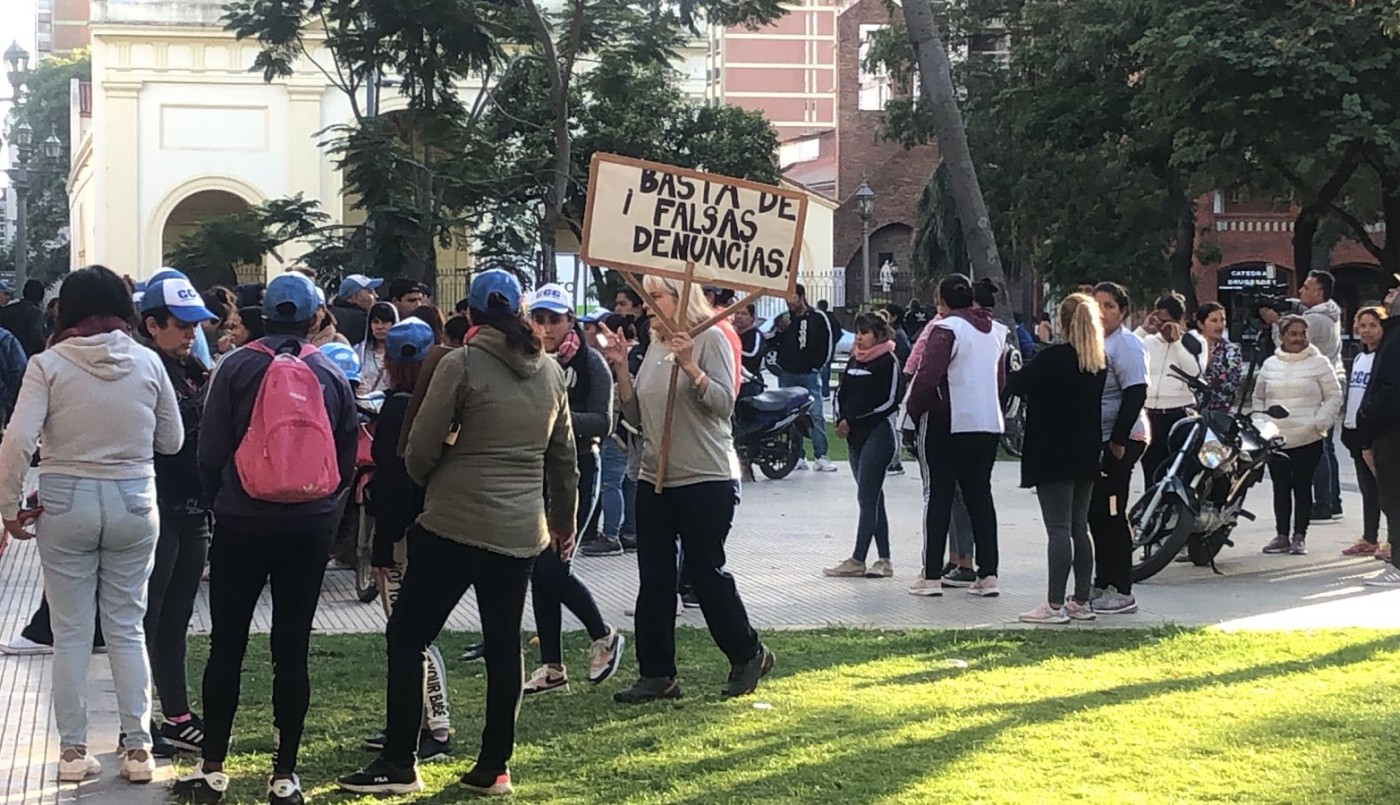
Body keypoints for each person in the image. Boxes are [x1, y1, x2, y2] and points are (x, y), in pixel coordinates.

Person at [337, 269, 577, 797]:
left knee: (408, 635)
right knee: (503, 643)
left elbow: (417, 448)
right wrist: (564, 521)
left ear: (468, 313)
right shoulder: (551, 373)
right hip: (520, 532)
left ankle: (399, 762)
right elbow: (564, 460)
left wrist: (432, 481)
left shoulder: (460, 364)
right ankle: (495, 765)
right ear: (520, 313)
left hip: (453, 524)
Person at [177, 272, 358, 805]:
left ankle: (213, 768)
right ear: (313, 316)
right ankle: (284, 775)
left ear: (263, 313)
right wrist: (322, 507)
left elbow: (208, 452)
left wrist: (225, 501)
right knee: (291, 648)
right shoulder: (328, 370)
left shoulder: (234, 367)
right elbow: (344, 456)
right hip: (307, 525)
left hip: (241, 521)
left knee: (226, 645)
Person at [0, 265, 182, 784]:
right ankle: (139, 750)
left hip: (65, 501)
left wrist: (9, 509)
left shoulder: (48, 364)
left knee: (72, 632)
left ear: (68, 310)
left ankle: (75, 752)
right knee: (127, 628)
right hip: (134, 499)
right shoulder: (148, 362)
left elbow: (16, 442)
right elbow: (171, 441)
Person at [599, 274, 772, 705]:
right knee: (654, 579)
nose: (648, 304)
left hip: (705, 476)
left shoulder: (710, 338)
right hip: (655, 476)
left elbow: (723, 405)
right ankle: (657, 674)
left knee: (704, 572)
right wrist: (622, 370)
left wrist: (692, 366)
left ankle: (747, 652)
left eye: (656, 295)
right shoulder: (655, 341)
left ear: (681, 296)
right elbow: (637, 416)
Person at [519, 284, 625, 689]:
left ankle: (603, 634)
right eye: (539, 319)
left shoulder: (590, 362)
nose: (546, 329)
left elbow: (603, 420)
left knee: (551, 565)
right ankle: (552, 667)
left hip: (580, 468)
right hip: (537, 471)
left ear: (570, 322)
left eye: (555, 320)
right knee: (541, 571)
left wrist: (554, 421)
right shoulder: (528, 360)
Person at [361, 317, 453, 762]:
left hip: (404, 535)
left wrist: (382, 544)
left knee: (409, 632)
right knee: (416, 631)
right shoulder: (443, 400)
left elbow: (395, 481)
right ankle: (414, 720)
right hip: (437, 525)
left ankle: (435, 725)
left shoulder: (399, 407)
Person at [137, 276, 220, 758]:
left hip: (194, 510)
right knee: (151, 618)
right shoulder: (145, 370)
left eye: (195, 325)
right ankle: (144, 719)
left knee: (178, 616)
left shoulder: (194, 369)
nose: (191, 333)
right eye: (181, 325)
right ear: (152, 325)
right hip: (159, 507)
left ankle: (178, 715)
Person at [1010, 294, 1107, 624]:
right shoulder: (1096, 363)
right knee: (1080, 527)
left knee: (1058, 529)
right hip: (1086, 449)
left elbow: (1017, 383)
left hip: (1052, 449)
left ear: (1061, 323)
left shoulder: (1051, 359)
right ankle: (1081, 599)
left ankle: (1053, 604)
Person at [905, 274, 1005, 597]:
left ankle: (931, 574)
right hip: (987, 423)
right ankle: (988, 574)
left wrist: (915, 411)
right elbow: (1001, 382)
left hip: (948, 422)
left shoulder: (946, 328)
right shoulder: (997, 333)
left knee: (938, 495)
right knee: (980, 496)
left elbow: (927, 377)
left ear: (942, 302)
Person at [1253, 315, 1342, 556]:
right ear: (1281, 336)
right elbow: (1258, 398)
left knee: (1302, 487)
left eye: (1302, 333)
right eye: (1293, 334)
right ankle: (1281, 535)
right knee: (1280, 487)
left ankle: (1299, 536)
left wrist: (1319, 422)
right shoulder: (1270, 364)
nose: (1298, 338)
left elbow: (1334, 395)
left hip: (1307, 437)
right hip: (1276, 438)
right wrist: (1261, 424)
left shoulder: (1319, 363)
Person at [823, 313, 904, 579]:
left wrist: (856, 420)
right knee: (874, 497)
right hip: (854, 436)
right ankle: (884, 559)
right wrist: (840, 420)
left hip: (877, 435)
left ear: (879, 334)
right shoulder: (854, 359)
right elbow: (841, 394)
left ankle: (858, 558)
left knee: (866, 498)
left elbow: (891, 401)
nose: (859, 337)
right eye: (858, 331)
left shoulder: (888, 360)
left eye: (866, 332)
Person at [1089, 281, 1150, 615]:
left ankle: (1122, 589)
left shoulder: (1126, 345)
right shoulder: (1097, 342)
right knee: (1096, 515)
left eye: (1109, 306)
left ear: (1123, 311)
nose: (1102, 312)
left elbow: (1135, 393)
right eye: (1096, 305)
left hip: (1123, 440)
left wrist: (1117, 441)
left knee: (1112, 513)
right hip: (1098, 438)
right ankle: (1103, 581)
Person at [1341, 306, 1392, 558]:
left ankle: (1392, 539)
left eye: (1373, 325)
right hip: (1355, 430)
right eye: (1362, 326)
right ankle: (1369, 536)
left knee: (1387, 490)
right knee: (1368, 489)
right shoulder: (1360, 358)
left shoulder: (1383, 359)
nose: (1366, 331)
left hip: (1374, 432)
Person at [769, 283, 836, 471]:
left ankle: (821, 454)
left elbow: (827, 342)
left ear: (801, 297)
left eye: (791, 298)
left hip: (808, 374)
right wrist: (778, 331)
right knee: (790, 416)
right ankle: (797, 455)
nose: (788, 303)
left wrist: (817, 367)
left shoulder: (817, 318)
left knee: (815, 414)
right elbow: (770, 341)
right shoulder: (783, 319)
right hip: (788, 374)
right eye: (786, 299)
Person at [1140, 293, 1205, 486]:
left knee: (1178, 470)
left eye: (1167, 322)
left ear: (1179, 321)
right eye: (1160, 322)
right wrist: (1144, 329)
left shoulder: (1193, 342)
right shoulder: (1150, 341)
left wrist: (1177, 342)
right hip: (1151, 412)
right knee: (1151, 471)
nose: (1163, 328)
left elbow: (1194, 372)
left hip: (1179, 412)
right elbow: (1129, 353)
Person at [1359, 286, 1400, 586]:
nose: (1390, 291)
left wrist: (1367, 414)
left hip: (1392, 431)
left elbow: (1390, 389)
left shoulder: (1396, 339)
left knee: (1394, 498)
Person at [1301, 270, 1345, 521]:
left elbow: (1288, 345)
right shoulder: (1330, 313)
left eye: (1307, 287)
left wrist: (1276, 325)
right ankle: (1334, 500)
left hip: (1319, 385)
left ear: (1319, 292)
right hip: (1333, 380)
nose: (1300, 291)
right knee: (1327, 446)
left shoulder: (1315, 320)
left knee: (1318, 445)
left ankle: (1323, 504)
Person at [1195, 302, 1242, 413]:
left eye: (1223, 320)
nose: (1220, 325)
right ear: (1201, 324)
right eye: (1214, 321)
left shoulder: (1231, 350)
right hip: (1192, 411)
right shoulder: (1190, 349)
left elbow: (1231, 384)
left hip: (1221, 411)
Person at [356, 302, 399, 394]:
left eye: (385, 322)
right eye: (375, 322)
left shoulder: (400, 353)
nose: (380, 327)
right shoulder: (359, 351)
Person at [0, 278, 49, 356]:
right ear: (41, 295)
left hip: (7, 355)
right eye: (5, 294)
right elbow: (36, 337)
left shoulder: (7, 310)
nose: (8, 297)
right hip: (27, 356)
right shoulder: (35, 312)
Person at [332, 274, 383, 344]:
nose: (376, 296)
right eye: (370, 292)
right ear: (358, 296)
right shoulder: (363, 320)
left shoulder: (330, 313)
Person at [733, 304, 765, 377]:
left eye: (744, 314)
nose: (739, 316)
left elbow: (751, 355)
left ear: (752, 317)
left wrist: (731, 350)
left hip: (751, 380)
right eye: (737, 313)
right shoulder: (732, 333)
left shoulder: (756, 335)